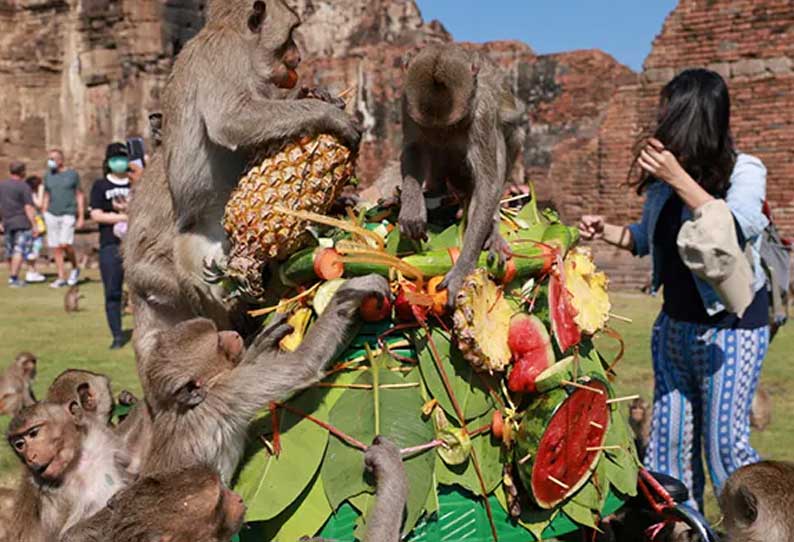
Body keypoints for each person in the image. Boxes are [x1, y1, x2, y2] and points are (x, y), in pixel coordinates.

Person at [579, 69, 769, 511]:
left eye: (668, 109)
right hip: (674, 331)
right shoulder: (665, 185)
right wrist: (604, 230)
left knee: (727, 453)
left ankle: (760, 532)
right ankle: (683, 532)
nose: (660, 118)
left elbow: (737, 227)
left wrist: (679, 176)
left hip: (731, 332)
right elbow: (646, 239)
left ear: (693, 115)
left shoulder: (746, 170)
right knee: (668, 448)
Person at [90, 143, 132, 349]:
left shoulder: (138, 183)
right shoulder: (100, 186)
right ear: (108, 162)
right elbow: (96, 214)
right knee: (113, 292)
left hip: (137, 246)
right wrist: (124, 216)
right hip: (110, 244)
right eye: (115, 159)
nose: (120, 162)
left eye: (123, 158)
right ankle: (117, 335)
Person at [43, 148, 84, 288]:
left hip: (68, 212)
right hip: (51, 213)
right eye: (49, 159)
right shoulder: (48, 176)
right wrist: (43, 212)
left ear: (61, 160)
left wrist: (81, 216)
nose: (50, 162)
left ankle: (75, 267)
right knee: (56, 247)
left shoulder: (72, 175)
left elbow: (79, 194)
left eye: (53, 159)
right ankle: (61, 276)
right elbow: (47, 195)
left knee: (65, 244)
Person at [0, 161, 43, 287]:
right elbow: (28, 207)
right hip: (22, 222)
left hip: (7, 221)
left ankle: (12, 275)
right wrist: (34, 224)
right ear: (22, 172)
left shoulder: (2, 186)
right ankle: (14, 278)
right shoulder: (24, 187)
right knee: (19, 250)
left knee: (10, 250)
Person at [22, 175, 46, 283]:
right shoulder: (31, 194)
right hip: (33, 224)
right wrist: (41, 191)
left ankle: (32, 271)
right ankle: (31, 272)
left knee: (34, 248)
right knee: (34, 249)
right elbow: (39, 204)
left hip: (36, 223)